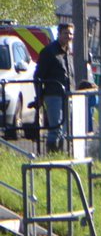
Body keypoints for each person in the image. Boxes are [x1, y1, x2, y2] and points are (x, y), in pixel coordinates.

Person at [33, 23, 73, 153]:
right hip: (53, 95)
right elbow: (38, 76)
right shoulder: (49, 52)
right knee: (55, 128)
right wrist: (39, 96)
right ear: (59, 34)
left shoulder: (68, 52)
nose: (68, 36)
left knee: (65, 129)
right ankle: (51, 155)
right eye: (66, 33)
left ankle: (61, 155)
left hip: (68, 95)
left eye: (70, 34)